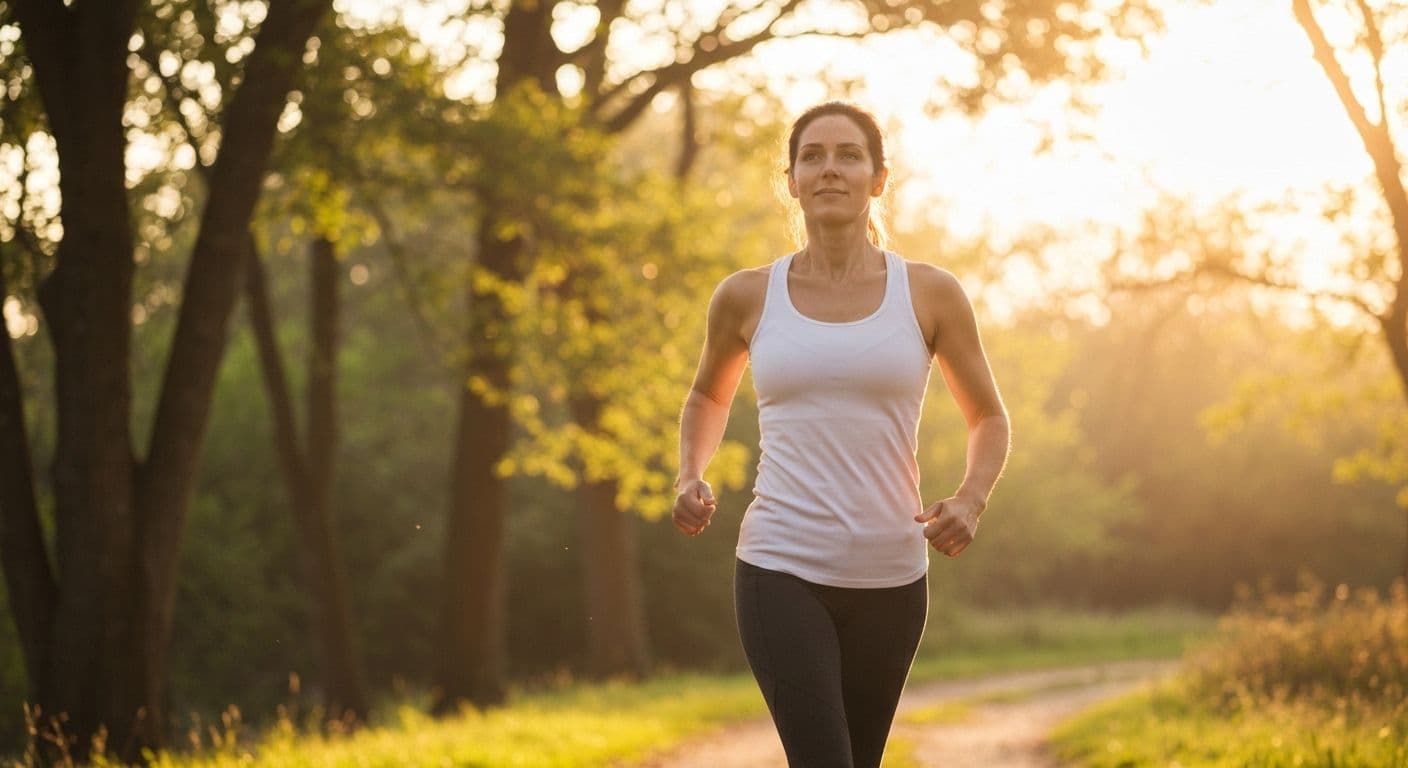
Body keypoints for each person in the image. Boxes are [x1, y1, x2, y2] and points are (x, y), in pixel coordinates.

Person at [671, 101, 1011, 768]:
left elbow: (989, 417)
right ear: (792, 181)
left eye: (849, 155)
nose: (830, 169)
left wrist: (971, 499)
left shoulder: (930, 294)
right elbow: (708, 395)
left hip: (892, 577)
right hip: (780, 565)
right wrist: (690, 474)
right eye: (813, 156)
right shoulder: (746, 295)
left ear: (878, 179)